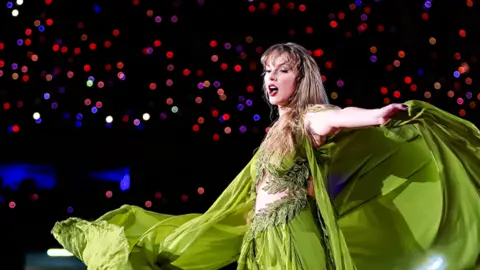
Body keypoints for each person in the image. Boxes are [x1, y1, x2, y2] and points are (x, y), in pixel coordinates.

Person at [52, 43, 480, 270]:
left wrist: (377, 114)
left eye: (283, 70)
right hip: (262, 239)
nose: (271, 78)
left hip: (293, 237)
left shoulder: (308, 118)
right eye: (268, 70)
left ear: (301, 77)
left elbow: (339, 116)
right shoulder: (275, 129)